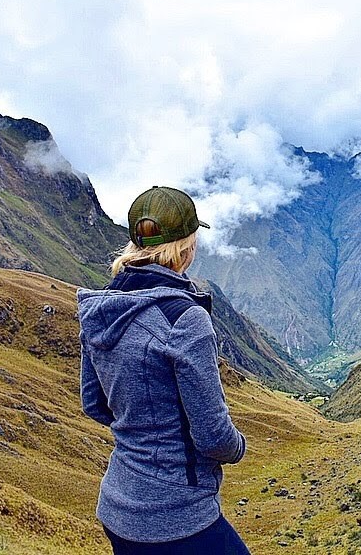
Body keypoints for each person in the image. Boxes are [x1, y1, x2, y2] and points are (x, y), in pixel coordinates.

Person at [77, 186, 250, 554]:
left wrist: (144, 429)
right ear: (186, 247)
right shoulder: (184, 320)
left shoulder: (101, 311)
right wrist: (239, 448)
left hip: (118, 507)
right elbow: (213, 436)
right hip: (176, 515)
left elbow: (94, 403)